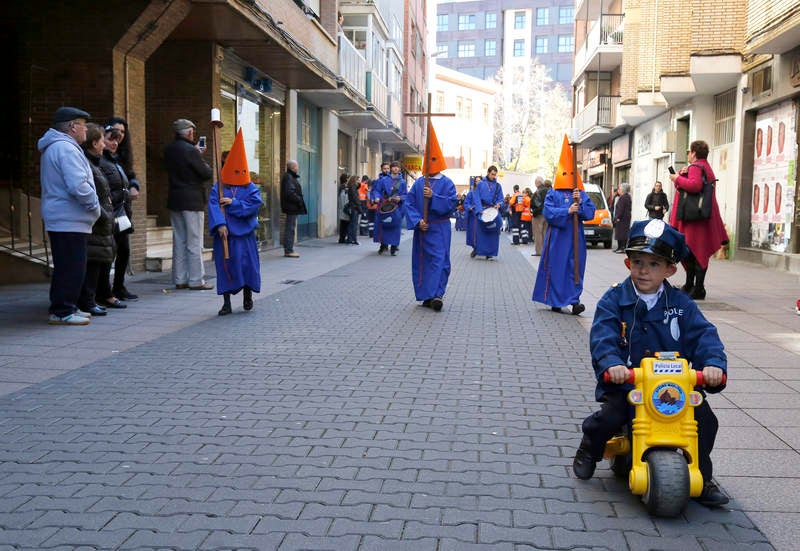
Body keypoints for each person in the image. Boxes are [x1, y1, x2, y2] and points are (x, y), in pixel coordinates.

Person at [572, 218, 729, 508]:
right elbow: (603, 335)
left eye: (654, 264)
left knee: (705, 421)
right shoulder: (614, 300)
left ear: (670, 269)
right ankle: (589, 448)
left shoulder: (681, 304)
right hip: (629, 383)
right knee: (611, 415)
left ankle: (703, 477)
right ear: (627, 263)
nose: (644, 270)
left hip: (672, 386)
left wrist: (713, 365)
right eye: (638, 261)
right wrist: (612, 364)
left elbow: (704, 335)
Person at [38, 106, 101, 325]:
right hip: (68, 219)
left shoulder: (60, 147)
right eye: (83, 125)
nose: (86, 130)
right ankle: (62, 311)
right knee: (70, 267)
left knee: (70, 266)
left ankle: (67, 307)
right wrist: (94, 205)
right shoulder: (65, 149)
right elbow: (78, 185)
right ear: (72, 127)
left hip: (68, 218)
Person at [207, 129, 263, 316]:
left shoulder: (250, 187)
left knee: (247, 266)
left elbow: (255, 204)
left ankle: (248, 296)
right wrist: (220, 224)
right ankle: (226, 303)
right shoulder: (220, 187)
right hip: (226, 235)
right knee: (226, 268)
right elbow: (213, 205)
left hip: (245, 236)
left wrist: (235, 203)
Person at [669, 140, 728, 300]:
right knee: (696, 251)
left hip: (695, 218)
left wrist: (676, 178)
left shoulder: (696, 166)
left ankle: (697, 287)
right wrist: (682, 176)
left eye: (689, 151)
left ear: (694, 153)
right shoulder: (705, 166)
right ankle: (692, 285)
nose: (688, 154)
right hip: (703, 215)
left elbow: (694, 186)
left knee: (693, 251)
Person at [164, 118, 214, 289]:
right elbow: (206, 172)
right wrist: (199, 156)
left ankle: (180, 279)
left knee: (179, 240)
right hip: (192, 200)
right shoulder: (191, 151)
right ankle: (195, 280)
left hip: (174, 198)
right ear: (190, 132)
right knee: (194, 241)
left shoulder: (169, 149)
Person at [77, 123, 118, 317]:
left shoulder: (95, 163)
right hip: (97, 220)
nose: (105, 145)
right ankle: (87, 300)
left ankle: (92, 298)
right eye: (102, 141)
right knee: (92, 263)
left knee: (99, 262)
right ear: (94, 143)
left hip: (103, 220)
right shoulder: (89, 165)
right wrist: (101, 213)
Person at [405, 171, 457, 311]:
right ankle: (426, 295)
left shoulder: (447, 183)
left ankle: (437, 295)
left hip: (440, 228)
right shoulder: (419, 183)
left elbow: (451, 203)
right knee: (423, 263)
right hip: (423, 228)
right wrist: (417, 221)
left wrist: (434, 197)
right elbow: (409, 203)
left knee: (440, 261)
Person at [103, 117, 140, 301]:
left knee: (124, 249)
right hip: (110, 210)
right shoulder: (102, 157)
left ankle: (119, 286)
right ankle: (105, 290)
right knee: (109, 250)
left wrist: (134, 186)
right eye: (114, 134)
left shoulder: (121, 156)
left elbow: (131, 175)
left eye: (122, 133)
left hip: (122, 211)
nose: (118, 138)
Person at [371, 161, 406, 256]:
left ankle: (394, 247)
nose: (395, 168)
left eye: (397, 167)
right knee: (384, 226)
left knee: (395, 227)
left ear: (399, 169)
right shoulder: (383, 180)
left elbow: (405, 195)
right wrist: (377, 197)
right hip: (384, 205)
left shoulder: (402, 182)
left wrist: (401, 198)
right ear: (391, 168)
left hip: (396, 207)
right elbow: (377, 190)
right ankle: (383, 246)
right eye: (393, 167)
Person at [471, 165, 504, 260]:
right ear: (488, 173)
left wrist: (498, 204)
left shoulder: (498, 186)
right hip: (483, 210)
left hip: (493, 210)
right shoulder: (480, 184)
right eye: (492, 174)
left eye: (495, 175)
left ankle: (490, 252)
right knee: (481, 232)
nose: (494, 176)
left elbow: (501, 198)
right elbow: (476, 197)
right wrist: (479, 210)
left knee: (494, 232)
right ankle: (479, 250)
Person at [280, 160, 307, 258]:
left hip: (291, 207)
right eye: (296, 166)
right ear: (293, 167)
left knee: (290, 228)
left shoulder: (290, 177)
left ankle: (289, 249)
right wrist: (299, 199)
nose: (297, 168)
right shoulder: (288, 177)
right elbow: (289, 193)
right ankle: (289, 250)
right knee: (290, 228)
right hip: (291, 207)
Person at [530, 176, 550, 256]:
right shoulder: (548, 190)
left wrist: (534, 211)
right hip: (547, 214)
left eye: (535, 182)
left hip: (538, 214)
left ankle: (539, 251)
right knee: (545, 232)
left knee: (537, 233)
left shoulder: (538, 191)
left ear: (538, 183)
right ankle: (546, 251)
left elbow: (534, 203)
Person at [612, 183, 632, 253]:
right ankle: (619, 247)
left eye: (619, 189)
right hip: (625, 218)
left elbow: (621, 208)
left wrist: (618, 217)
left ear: (623, 190)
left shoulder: (624, 197)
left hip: (622, 218)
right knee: (620, 232)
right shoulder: (626, 197)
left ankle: (622, 248)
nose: (618, 190)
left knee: (622, 233)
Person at [346, 174, 363, 245]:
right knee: (354, 224)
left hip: (353, 207)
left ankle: (351, 239)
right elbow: (356, 199)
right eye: (358, 180)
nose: (359, 181)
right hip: (354, 208)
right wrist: (360, 209)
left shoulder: (353, 187)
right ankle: (352, 239)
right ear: (354, 180)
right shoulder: (353, 188)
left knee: (353, 224)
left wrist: (359, 184)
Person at [337, 174, 350, 244]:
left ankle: (342, 238)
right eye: (348, 178)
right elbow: (344, 198)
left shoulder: (341, 187)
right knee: (345, 224)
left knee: (343, 224)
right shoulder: (344, 187)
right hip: (345, 209)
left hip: (342, 209)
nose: (349, 179)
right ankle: (342, 238)